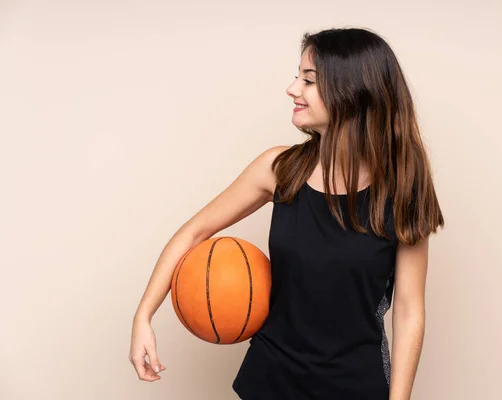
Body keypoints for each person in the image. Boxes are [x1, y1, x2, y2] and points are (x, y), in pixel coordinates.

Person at [129, 27, 445, 400]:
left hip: (354, 387)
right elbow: (194, 232)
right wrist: (143, 317)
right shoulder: (279, 169)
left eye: (308, 80)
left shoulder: (404, 191)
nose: (292, 89)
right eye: (298, 76)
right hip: (270, 380)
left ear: (352, 91)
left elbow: (409, 310)